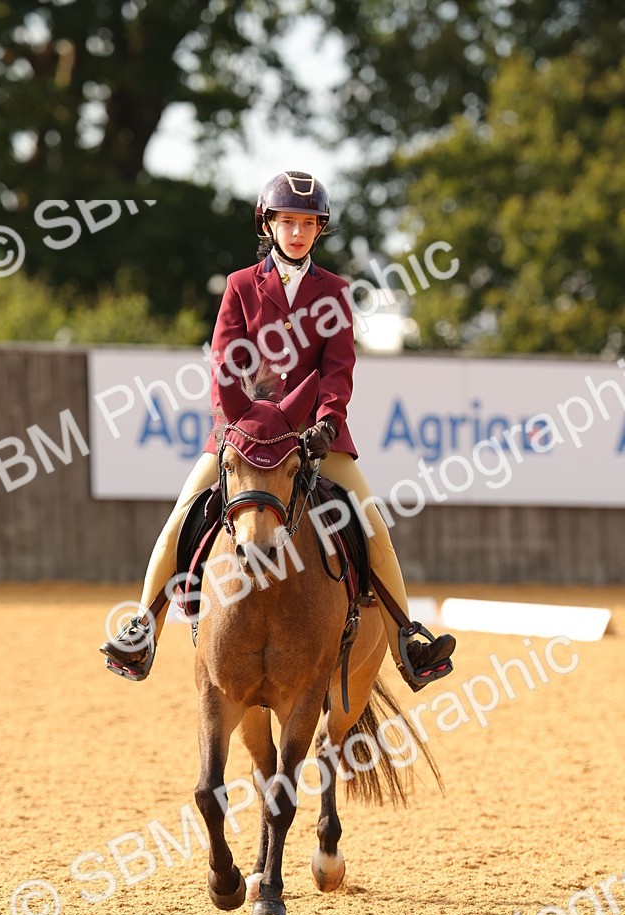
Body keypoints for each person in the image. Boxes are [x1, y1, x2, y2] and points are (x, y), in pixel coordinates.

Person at [100, 170, 455, 689]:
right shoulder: (241, 285)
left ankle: (408, 644)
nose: (297, 232)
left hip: (311, 438)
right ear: (268, 224)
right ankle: (143, 630)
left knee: (372, 521)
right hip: (244, 436)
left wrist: (328, 423)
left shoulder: (334, 292)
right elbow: (225, 364)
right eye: (288, 221)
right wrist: (234, 424)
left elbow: (338, 369)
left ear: (319, 229)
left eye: (308, 223)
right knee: (181, 516)